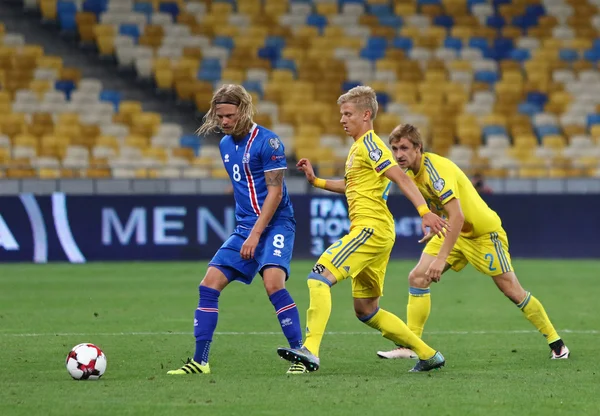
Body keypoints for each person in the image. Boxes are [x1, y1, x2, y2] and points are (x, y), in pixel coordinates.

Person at [277, 86, 450, 373]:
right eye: (341, 114)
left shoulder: (371, 145)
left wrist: (424, 211)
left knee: (318, 278)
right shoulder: (360, 148)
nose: (342, 119)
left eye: (348, 114)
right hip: (379, 233)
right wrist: (317, 181)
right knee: (366, 309)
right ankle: (428, 354)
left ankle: (310, 350)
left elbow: (400, 178)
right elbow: (352, 186)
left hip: (370, 229)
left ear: (366, 114)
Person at [376, 124, 570, 360]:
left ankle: (557, 343)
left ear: (419, 148)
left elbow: (459, 216)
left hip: (484, 234)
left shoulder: (435, 171)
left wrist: (441, 259)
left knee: (511, 290)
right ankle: (411, 345)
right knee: (417, 277)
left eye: (404, 148)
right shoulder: (408, 173)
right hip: (454, 231)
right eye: (394, 149)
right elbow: (450, 215)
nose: (398, 154)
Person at [168, 84, 305, 375]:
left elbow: (276, 193)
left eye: (230, 115)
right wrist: (248, 229)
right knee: (208, 285)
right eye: (220, 117)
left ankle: (301, 355)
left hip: (276, 223)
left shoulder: (269, 143)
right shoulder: (225, 145)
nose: (225, 122)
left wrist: (256, 234)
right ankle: (200, 361)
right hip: (245, 226)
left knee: (273, 284)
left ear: (244, 110)